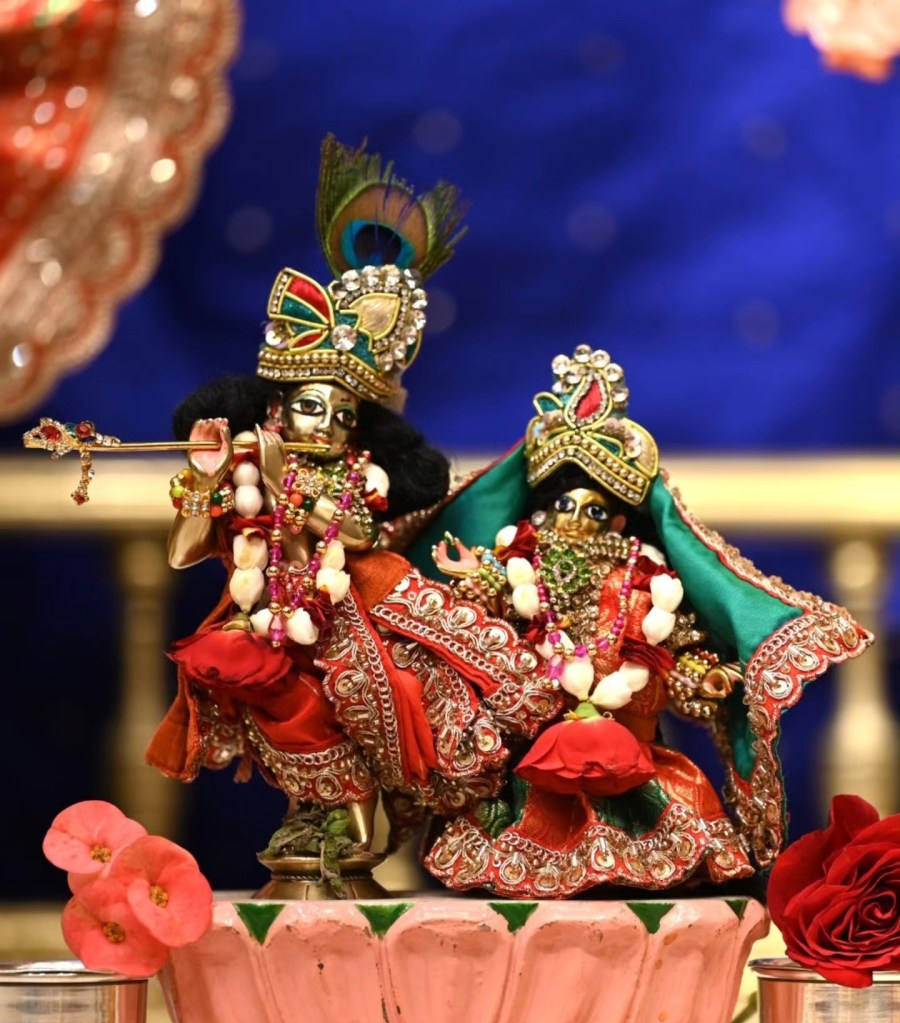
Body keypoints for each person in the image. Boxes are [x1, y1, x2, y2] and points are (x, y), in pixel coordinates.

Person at [146, 137, 560, 888]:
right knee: (278, 710)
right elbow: (183, 552)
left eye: (343, 416)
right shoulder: (247, 470)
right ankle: (316, 817)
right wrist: (209, 478)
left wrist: (295, 495)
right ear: (278, 408)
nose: (328, 426)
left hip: (355, 606)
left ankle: (359, 823)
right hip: (267, 616)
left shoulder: (352, 475)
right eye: (312, 408)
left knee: (374, 709)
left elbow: (360, 534)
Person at [417, 344, 871, 897]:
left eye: (593, 510)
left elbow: (675, 653)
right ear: (541, 512)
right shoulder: (519, 573)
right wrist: (475, 579)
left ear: (618, 522)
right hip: (534, 762)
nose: (576, 520)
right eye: (565, 506)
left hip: (629, 756)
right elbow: (483, 628)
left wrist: (705, 676)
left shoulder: (641, 584)